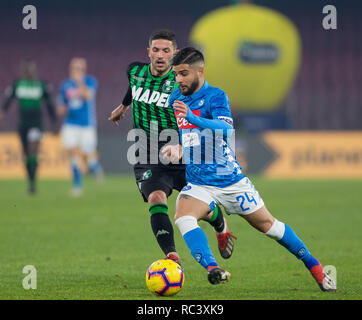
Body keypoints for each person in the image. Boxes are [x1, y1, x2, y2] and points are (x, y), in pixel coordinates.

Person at [165, 47, 336, 291]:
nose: (178, 80)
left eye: (183, 74)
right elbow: (188, 133)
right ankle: (213, 269)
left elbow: (225, 130)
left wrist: (194, 118)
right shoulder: (175, 99)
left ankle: (315, 266)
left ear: (199, 71)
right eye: (175, 75)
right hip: (199, 182)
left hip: (230, 181)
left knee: (270, 227)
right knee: (182, 217)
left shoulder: (216, 96)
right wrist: (179, 146)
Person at [108, 30, 235, 265]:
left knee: (203, 208)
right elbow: (133, 87)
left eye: (166, 51)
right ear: (148, 52)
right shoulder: (134, 71)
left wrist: (185, 142)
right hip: (146, 151)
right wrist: (123, 107)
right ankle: (172, 256)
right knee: (156, 199)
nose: (160, 55)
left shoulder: (181, 83)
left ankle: (220, 223)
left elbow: (199, 112)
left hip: (182, 152)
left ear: (174, 54)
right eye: (155, 50)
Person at [0, 60, 57, 194]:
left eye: (32, 69)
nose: (30, 72)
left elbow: (49, 103)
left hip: (36, 124)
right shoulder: (18, 84)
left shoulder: (41, 85)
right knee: (26, 154)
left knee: (33, 151)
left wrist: (54, 121)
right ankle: (30, 179)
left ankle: (33, 183)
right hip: (22, 124)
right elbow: (7, 101)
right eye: (28, 70)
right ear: (24, 71)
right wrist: (2, 113)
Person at [57, 57, 103, 196]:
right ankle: (78, 184)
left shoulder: (90, 81)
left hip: (86, 125)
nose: (76, 71)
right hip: (70, 124)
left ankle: (95, 167)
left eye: (79, 68)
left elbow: (87, 95)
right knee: (71, 153)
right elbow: (61, 105)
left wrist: (78, 81)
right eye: (74, 68)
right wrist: (61, 108)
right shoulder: (65, 85)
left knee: (87, 156)